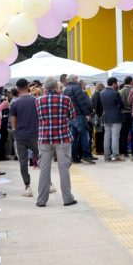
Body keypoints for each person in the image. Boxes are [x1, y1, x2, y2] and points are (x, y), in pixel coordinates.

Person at [35, 76, 78, 208]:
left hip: (45, 138)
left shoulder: (38, 100)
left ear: (45, 87)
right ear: (56, 87)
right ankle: (67, 198)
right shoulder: (65, 99)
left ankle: (41, 200)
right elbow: (72, 116)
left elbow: (37, 117)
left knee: (44, 169)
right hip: (62, 138)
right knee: (63, 169)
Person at [9, 78, 39, 197]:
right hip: (34, 134)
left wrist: (15, 130)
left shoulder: (14, 103)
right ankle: (49, 183)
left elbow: (13, 121)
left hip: (20, 136)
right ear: (28, 87)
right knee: (42, 158)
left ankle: (27, 186)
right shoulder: (35, 100)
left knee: (23, 162)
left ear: (17, 89)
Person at [64, 75, 96, 164]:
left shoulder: (66, 89)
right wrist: (87, 114)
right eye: (76, 78)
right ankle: (86, 156)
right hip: (79, 115)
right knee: (84, 136)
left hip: (71, 116)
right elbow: (82, 102)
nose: (78, 79)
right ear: (74, 79)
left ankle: (74, 157)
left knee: (73, 138)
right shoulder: (77, 88)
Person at [100, 77, 126, 162]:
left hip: (105, 116)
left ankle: (106, 156)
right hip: (115, 117)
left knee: (106, 136)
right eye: (116, 83)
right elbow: (122, 105)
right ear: (114, 83)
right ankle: (115, 155)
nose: (117, 85)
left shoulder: (102, 93)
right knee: (115, 137)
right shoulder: (115, 93)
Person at [119, 76, 133, 161]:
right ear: (131, 82)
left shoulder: (120, 92)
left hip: (123, 114)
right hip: (132, 113)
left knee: (123, 134)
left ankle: (123, 152)